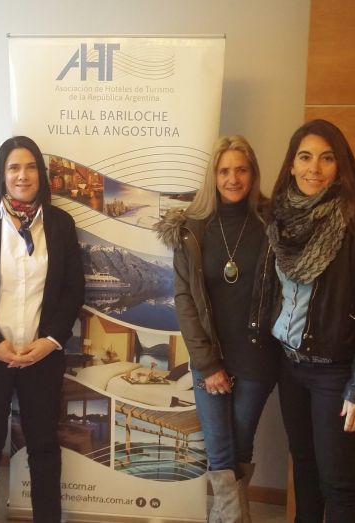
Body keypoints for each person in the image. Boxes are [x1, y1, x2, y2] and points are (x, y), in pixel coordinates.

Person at [267, 119, 355, 523]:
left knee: (338, 483)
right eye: (305, 157)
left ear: (341, 166)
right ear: (292, 165)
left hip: (337, 375)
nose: (314, 168)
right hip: (290, 368)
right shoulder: (280, 221)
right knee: (305, 472)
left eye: (327, 158)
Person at [0, 136, 84, 522]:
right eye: (13, 167)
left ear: (41, 173)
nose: (22, 175)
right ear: (2, 174)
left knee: (44, 447)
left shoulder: (59, 224)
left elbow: (73, 288)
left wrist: (50, 341)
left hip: (41, 356)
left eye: (29, 167)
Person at [155, 136, 280, 522]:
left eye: (241, 169)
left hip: (258, 358)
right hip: (209, 358)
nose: (233, 178)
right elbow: (185, 302)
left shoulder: (273, 224)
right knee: (221, 451)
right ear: (213, 176)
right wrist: (208, 364)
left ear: (253, 173)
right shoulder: (192, 229)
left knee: (239, 447)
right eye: (224, 171)